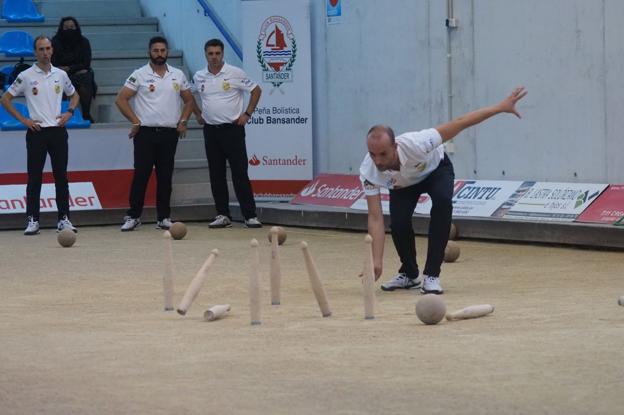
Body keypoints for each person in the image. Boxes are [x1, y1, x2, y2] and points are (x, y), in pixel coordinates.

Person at [360, 87, 527, 294]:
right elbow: (375, 218)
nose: (377, 161)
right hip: (403, 184)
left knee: (442, 202)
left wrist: (500, 108)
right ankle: (410, 275)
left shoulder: (418, 143)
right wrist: (376, 261)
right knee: (399, 222)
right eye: (372, 154)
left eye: (383, 154)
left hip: (435, 170)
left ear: (395, 146)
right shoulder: (369, 171)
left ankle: (432, 276)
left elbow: (460, 122)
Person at [1, 35, 80, 235]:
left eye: (48, 48)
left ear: (52, 50)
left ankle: (63, 218)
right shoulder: (26, 76)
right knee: (34, 177)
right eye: (41, 49)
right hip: (36, 132)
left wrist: (69, 112)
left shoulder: (61, 75)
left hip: (58, 131)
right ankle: (33, 219)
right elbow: (6, 99)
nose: (45, 52)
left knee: (61, 176)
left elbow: (75, 94)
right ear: (35, 52)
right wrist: (24, 120)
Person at [115, 36, 195, 231]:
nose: (159, 54)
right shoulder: (139, 74)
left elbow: (189, 101)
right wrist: (135, 121)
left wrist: (183, 121)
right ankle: (133, 216)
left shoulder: (178, 74)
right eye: (156, 51)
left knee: (165, 177)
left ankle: (163, 217)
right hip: (145, 134)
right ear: (149, 52)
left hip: (169, 134)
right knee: (141, 175)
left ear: (167, 52)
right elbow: (121, 99)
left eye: (163, 50)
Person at [192, 38, 262, 229]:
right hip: (211, 131)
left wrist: (247, 114)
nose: (214, 57)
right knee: (216, 174)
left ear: (223, 54)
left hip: (233, 130)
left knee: (240, 173)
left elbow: (256, 90)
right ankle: (223, 214)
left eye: (217, 53)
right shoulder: (199, 76)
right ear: (205, 54)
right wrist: (198, 114)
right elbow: (188, 95)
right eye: (210, 54)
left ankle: (250, 215)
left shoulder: (235, 73)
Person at [51, 16, 96, 122]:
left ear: (77, 28)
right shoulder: (54, 42)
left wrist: (69, 68)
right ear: (61, 29)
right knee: (58, 80)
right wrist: (66, 69)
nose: (69, 29)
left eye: (72, 27)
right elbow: (53, 62)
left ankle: (86, 114)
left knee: (85, 78)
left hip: (78, 73)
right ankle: (59, 115)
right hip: (60, 74)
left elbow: (86, 63)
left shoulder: (84, 42)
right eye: (66, 27)